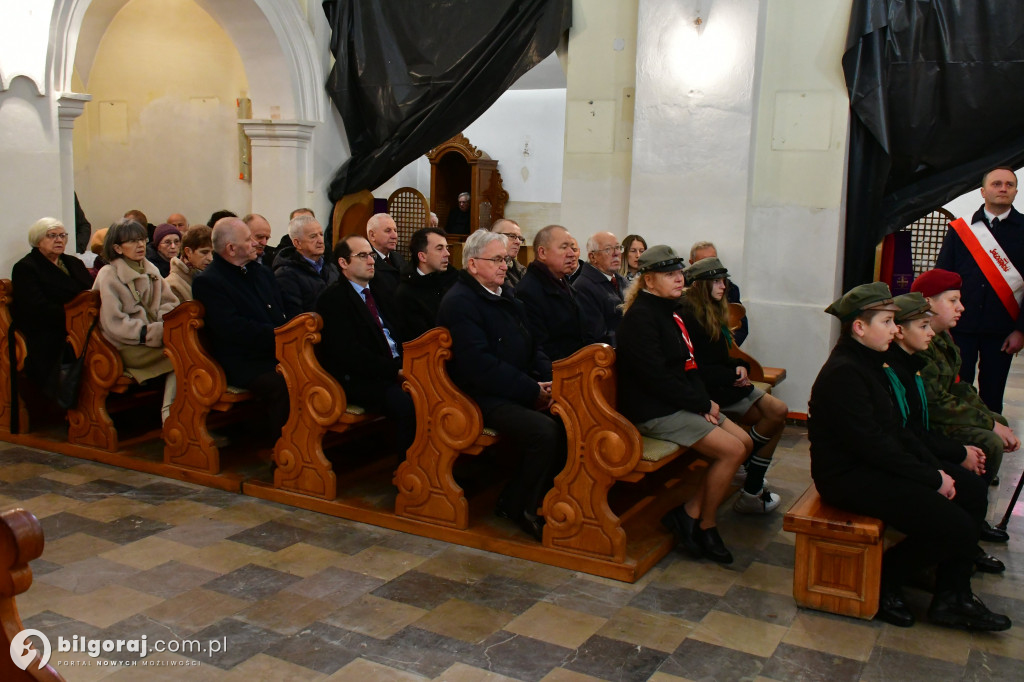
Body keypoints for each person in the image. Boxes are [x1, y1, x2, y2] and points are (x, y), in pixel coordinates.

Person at [808, 281, 1010, 631]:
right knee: (955, 525)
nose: (895, 329)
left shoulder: (869, 362)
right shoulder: (845, 373)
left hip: (872, 465)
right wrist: (931, 477)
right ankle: (887, 579)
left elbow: (898, 431)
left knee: (972, 492)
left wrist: (934, 469)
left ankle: (953, 594)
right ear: (859, 327)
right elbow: (872, 445)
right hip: (847, 477)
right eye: (886, 322)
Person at [617, 246, 751, 564]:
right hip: (652, 410)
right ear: (649, 281)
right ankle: (705, 525)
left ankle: (688, 513)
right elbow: (656, 378)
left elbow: (688, 364)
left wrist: (704, 402)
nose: (680, 279)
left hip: (677, 401)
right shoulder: (641, 318)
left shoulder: (670, 310)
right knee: (731, 450)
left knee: (743, 442)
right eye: (670, 275)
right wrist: (700, 402)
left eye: (679, 273)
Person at [437, 229, 563, 541]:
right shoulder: (460, 302)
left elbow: (533, 344)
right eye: (496, 259)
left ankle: (543, 496)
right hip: (475, 396)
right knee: (543, 431)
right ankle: (519, 504)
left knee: (567, 417)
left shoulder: (505, 294)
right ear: (472, 264)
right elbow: (479, 365)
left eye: (506, 259)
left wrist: (549, 380)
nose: (505, 265)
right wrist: (532, 390)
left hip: (513, 385)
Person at [883, 292, 1008, 573]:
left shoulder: (909, 363)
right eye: (885, 323)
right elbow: (899, 435)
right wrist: (947, 462)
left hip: (908, 452)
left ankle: (955, 580)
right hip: (885, 465)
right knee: (962, 507)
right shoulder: (883, 370)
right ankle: (900, 577)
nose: (929, 334)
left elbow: (913, 427)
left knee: (971, 492)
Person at [682, 257, 787, 514]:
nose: (723, 287)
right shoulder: (689, 315)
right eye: (716, 281)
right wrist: (733, 373)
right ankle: (751, 482)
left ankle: (750, 483)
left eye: (723, 281)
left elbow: (722, 355)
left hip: (726, 382)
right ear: (700, 285)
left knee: (777, 414)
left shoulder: (713, 310)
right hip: (712, 390)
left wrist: (741, 367)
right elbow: (700, 368)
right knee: (776, 414)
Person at [911, 269, 1019, 485]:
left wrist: (988, 416)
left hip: (939, 413)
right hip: (926, 422)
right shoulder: (919, 342)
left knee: (999, 420)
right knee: (990, 440)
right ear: (928, 302)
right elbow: (934, 402)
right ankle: (972, 494)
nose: (961, 308)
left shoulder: (942, 337)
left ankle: (976, 486)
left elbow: (959, 388)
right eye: (953, 301)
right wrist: (989, 425)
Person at [935, 167, 1024, 414]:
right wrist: (943, 325)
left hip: (1003, 330)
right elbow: (943, 279)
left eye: (1009, 184)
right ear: (983, 191)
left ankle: (990, 442)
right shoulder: (960, 230)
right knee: (956, 389)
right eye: (996, 184)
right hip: (960, 326)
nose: (1003, 188)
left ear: (1016, 191)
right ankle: (959, 441)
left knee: (992, 396)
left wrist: (1021, 331)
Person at [192, 217, 293, 432]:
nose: (255, 243)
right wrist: (280, 335)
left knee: (316, 371)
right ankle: (285, 452)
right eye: (248, 240)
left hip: (277, 349)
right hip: (243, 360)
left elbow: (280, 309)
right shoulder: (209, 282)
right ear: (231, 248)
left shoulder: (261, 272)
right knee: (284, 383)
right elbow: (231, 328)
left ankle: (307, 444)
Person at [315, 235, 415, 451]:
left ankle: (429, 466)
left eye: (371, 255)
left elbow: (398, 332)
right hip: (360, 378)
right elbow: (350, 354)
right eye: (362, 256)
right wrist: (395, 371)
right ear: (343, 263)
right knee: (408, 404)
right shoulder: (333, 299)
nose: (371, 261)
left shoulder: (378, 290)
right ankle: (409, 472)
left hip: (392, 367)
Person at [93, 219, 178, 422]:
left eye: (142, 239)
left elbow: (170, 303)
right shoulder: (109, 275)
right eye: (132, 241)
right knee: (182, 356)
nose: (140, 245)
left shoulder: (151, 270)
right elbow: (114, 324)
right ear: (117, 248)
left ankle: (176, 417)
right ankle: (170, 418)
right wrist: (149, 332)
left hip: (155, 336)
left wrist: (162, 324)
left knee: (190, 351)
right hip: (125, 346)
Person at [11, 218, 93, 399]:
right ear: (38, 240)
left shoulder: (73, 263)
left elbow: (91, 292)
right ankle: (76, 401)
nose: (59, 240)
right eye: (52, 236)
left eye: (63, 236)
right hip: (49, 331)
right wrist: (74, 318)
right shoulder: (26, 268)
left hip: (84, 324)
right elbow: (35, 308)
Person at [515, 225, 591, 362]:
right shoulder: (528, 291)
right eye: (563, 247)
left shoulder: (561, 281)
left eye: (572, 248)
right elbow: (540, 347)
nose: (571, 254)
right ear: (542, 253)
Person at [394, 227, 457, 340]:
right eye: (439, 248)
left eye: (446, 248)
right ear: (422, 256)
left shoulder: (453, 278)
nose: (447, 253)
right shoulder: (406, 293)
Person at [573, 231, 628, 346]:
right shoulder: (583, 287)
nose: (616, 253)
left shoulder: (623, 281)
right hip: (607, 356)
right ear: (593, 257)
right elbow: (597, 335)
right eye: (608, 249)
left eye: (618, 247)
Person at [272, 214, 336, 314]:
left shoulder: (331, 267)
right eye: (313, 236)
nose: (320, 240)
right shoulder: (286, 274)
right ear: (297, 243)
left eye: (321, 234)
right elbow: (295, 317)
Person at [690, 241, 748, 346]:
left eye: (713, 260)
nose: (711, 265)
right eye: (704, 261)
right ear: (691, 263)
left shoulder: (730, 289)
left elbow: (740, 327)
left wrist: (728, 348)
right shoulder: (682, 290)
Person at [366, 213, 405, 308]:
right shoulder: (366, 262)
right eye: (388, 231)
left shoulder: (398, 257)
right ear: (372, 235)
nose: (394, 236)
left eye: (395, 230)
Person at [165, 225, 213, 303]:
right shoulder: (171, 285)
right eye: (204, 252)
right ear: (188, 252)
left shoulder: (215, 278)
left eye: (213, 253)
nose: (210, 258)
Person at [491, 219, 526, 286]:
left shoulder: (522, 270)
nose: (518, 242)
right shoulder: (488, 270)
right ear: (494, 237)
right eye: (512, 236)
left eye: (520, 238)